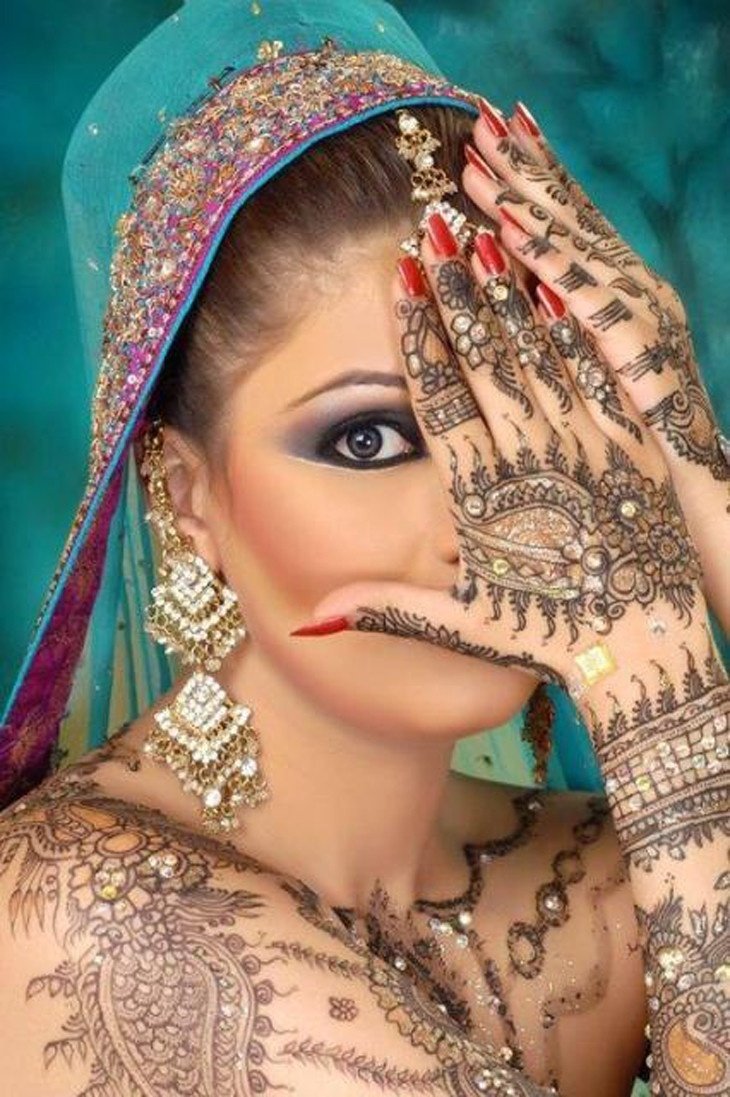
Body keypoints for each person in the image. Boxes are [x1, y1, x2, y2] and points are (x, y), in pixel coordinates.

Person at [0, 1, 727, 1094]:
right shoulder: (90, 916)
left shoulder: (618, 874)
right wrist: (659, 692)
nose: (492, 515)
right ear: (188, 496)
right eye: (369, 438)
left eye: (527, 415)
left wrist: (695, 470)